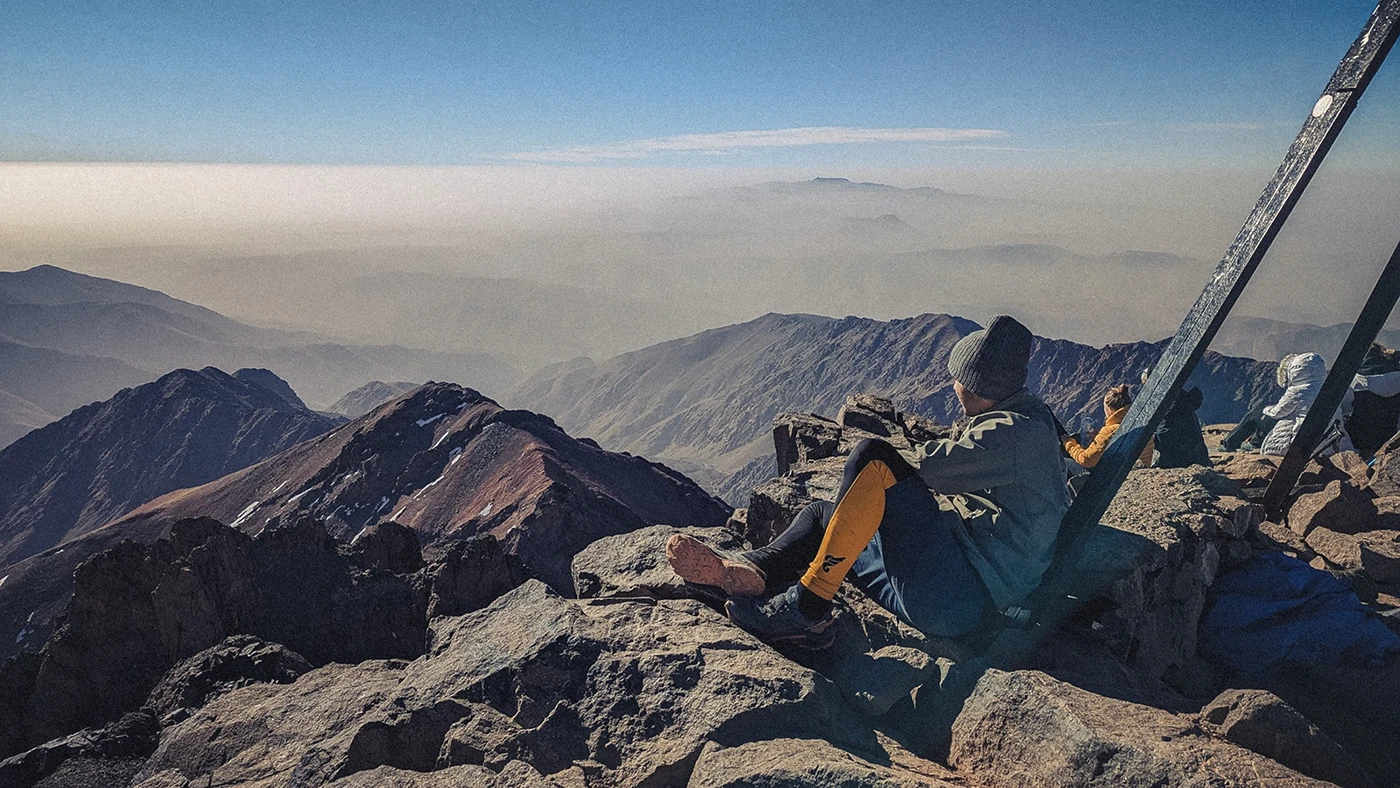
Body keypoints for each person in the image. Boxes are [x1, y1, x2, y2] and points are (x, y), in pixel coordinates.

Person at [665, 316, 1071, 648]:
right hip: (949, 591)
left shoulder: (1012, 433)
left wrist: (891, 464)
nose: (951, 384)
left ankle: (806, 608)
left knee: (872, 459)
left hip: (960, 594)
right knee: (825, 515)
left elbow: (928, 470)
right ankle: (751, 570)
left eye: (957, 376)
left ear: (977, 384)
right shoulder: (1028, 421)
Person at [1257, 352, 1354, 457]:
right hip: (1336, 442)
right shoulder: (1334, 387)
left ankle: (1253, 442)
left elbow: (1277, 413)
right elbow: (1347, 406)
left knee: (1261, 417)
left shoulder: (1297, 391)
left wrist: (1266, 409)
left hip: (1305, 446)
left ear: (1294, 371)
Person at [1061, 384, 1153, 469]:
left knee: (1065, 462)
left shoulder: (1111, 431)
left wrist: (1068, 443)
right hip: (1137, 468)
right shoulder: (1140, 423)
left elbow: (1086, 460)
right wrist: (1097, 437)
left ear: (1110, 409)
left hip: (1114, 477)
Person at [1349, 343, 1400, 458]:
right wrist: (1396, 355)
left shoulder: (1355, 379)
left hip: (1361, 437)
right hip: (1391, 433)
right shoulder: (1398, 376)